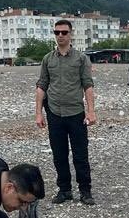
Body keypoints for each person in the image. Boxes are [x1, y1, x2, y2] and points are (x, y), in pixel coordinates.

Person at [36, 20, 97, 206]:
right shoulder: (48, 59)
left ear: (71, 34)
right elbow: (42, 85)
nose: (60, 35)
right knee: (59, 155)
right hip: (54, 113)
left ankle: (85, 191)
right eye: (57, 32)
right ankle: (64, 190)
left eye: (64, 32)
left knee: (80, 155)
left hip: (76, 113)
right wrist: (38, 113)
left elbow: (88, 85)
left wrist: (91, 111)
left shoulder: (81, 59)